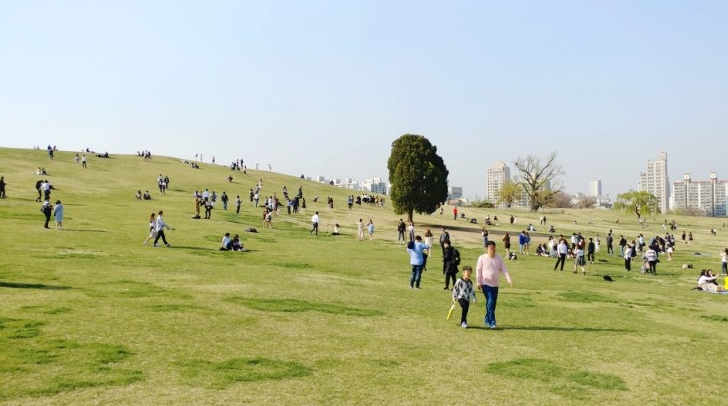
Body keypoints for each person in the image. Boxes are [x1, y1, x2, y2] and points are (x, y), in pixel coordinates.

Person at [476, 241, 513, 329]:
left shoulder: (498, 258)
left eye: (494, 248)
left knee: (493, 304)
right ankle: (492, 322)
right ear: (487, 249)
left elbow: (504, 269)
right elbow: (478, 270)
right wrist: (478, 282)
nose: (492, 250)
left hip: (495, 285)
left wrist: (509, 279)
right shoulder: (482, 258)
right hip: (485, 284)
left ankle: (487, 318)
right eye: (490, 248)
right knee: (490, 301)